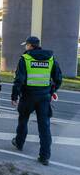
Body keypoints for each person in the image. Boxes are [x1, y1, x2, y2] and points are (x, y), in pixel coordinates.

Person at [11, 36, 62, 166]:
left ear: (30, 46)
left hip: (28, 96)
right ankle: (44, 156)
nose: (25, 47)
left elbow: (19, 80)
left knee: (23, 121)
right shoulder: (50, 59)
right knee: (44, 126)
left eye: (26, 45)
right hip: (44, 97)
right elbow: (58, 78)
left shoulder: (25, 59)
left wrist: (14, 96)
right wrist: (51, 91)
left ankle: (19, 142)